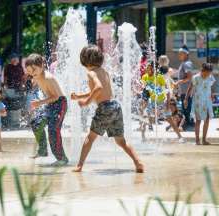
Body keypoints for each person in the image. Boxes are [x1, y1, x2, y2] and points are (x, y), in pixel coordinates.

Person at [71, 45, 143, 173]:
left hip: (104, 108)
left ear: (85, 60)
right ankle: (137, 162)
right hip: (115, 106)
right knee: (121, 141)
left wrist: (86, 102)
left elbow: (98, 88)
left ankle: (79, 166)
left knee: (90, 138)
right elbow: (99, 91)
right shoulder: (104, 72)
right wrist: (79, 96)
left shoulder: (91, 73)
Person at [25, 54, 69, 166]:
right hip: (50, 103)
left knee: (53, 131)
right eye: (30, 71)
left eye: (34, 70)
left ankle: (62, 158)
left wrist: (39, 103)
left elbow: (55, 96)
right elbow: (40, 85)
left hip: (60, 104)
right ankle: (43, 150)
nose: (32, 73)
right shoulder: (36, 75)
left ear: (42, 66)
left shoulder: (48, 78)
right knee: (36, 122)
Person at [141, 61, 184, 142]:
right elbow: (145, 92)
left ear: (154, 69)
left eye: (149, 67)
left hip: (161, 101)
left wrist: (167, 104)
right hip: (152, 102)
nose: (147, 69)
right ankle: (143, 138)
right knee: (145, 118)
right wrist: (144, 103)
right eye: (147, 67)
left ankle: (180, 137)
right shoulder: (144, 77)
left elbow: (167, 91)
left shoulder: (159, 77)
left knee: (169, 120)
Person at [185, 63, 215, 145]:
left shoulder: (210, 77)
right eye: (207, 72)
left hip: (207, 101)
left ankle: (204, 139)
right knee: (198, 120)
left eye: (209, 73)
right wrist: (186, 99)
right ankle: (197, 140)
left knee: (207, 119)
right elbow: (190, 87)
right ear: (203, 71)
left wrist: (212, 94)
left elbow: (210, 86)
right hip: (198, 101)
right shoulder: (196, 78)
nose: (208, 74)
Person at [175, 45, 194, 128]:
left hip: (187, 92)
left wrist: (179, 81)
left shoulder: (187, 63)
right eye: (179, 53)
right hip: (184, 91)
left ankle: (188, 124)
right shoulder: (184, 63)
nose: (179, 55)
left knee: (186, 109)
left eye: (181, 53)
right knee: (185, 109)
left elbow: (189, 77)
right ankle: (186, 124)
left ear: (186, 54)